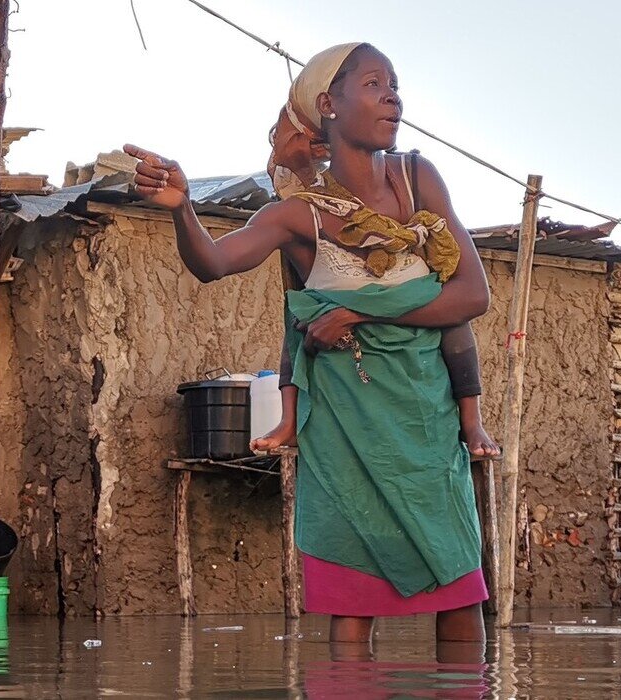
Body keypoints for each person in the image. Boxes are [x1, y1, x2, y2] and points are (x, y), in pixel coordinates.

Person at [126, 42, 492, 646]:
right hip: (343, 427)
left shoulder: (417, 178)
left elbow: (471, 296)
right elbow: (215, 263)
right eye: (375, 83)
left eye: (395, 83)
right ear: (329, 104)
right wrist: (182, 208)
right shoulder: (296, 216)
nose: (393, 95)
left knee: (457, 587)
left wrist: (355, 310)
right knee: (351, 599)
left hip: (427, 422)